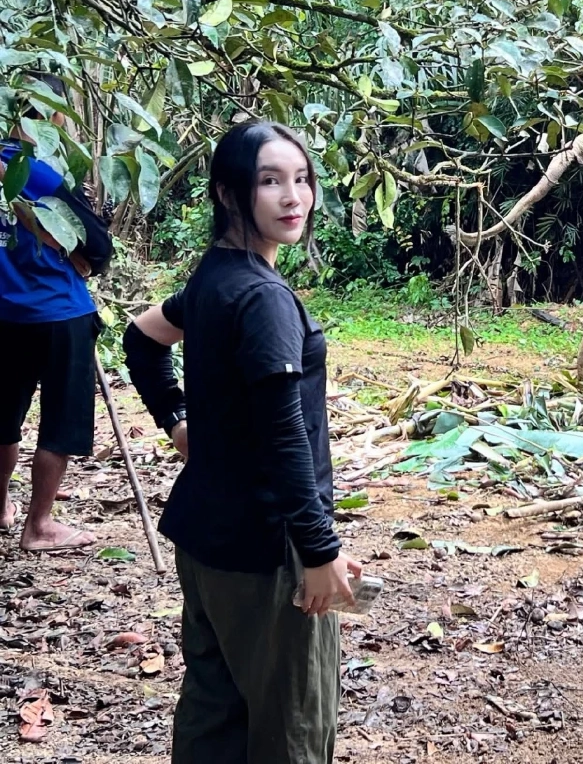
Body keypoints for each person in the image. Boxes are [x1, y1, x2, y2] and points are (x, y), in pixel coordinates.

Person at [122, 119, 361, 764]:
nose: (294, 197)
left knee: (213, 715)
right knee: (292, 732)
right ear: (229, 194)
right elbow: (285, 437)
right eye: (270, 181)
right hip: (264, 550)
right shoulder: (263, 298)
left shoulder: (216, 276)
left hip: (206, 542)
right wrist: (319, 551)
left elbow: (141, 338)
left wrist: (178, 421)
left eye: (302, 179)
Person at [0, 71, 113, 552]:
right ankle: (39, 525)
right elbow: (98, 245)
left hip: (4, 315)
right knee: (61, 420)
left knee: (2, 416)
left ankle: (0, 506)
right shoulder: (42, 173)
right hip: (58, 312)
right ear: (52, 117)